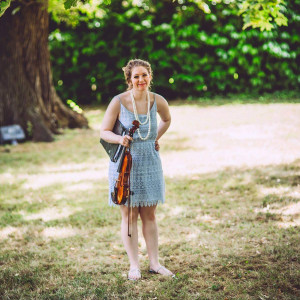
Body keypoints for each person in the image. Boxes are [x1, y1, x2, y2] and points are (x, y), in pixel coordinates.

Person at [100, 59, 174, 281]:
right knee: (130, 215)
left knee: (149, 215)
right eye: (136, 76)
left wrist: (153, 137)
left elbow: (167, 120)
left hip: (150, 161)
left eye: (144, 75)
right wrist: (119, 138)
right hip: (125, 164)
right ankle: (134, 265)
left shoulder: (158, 100)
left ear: (150, 76)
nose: (140, 80)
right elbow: (104, 131)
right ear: (129, 79)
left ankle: (154, 263)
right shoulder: (118, 101)